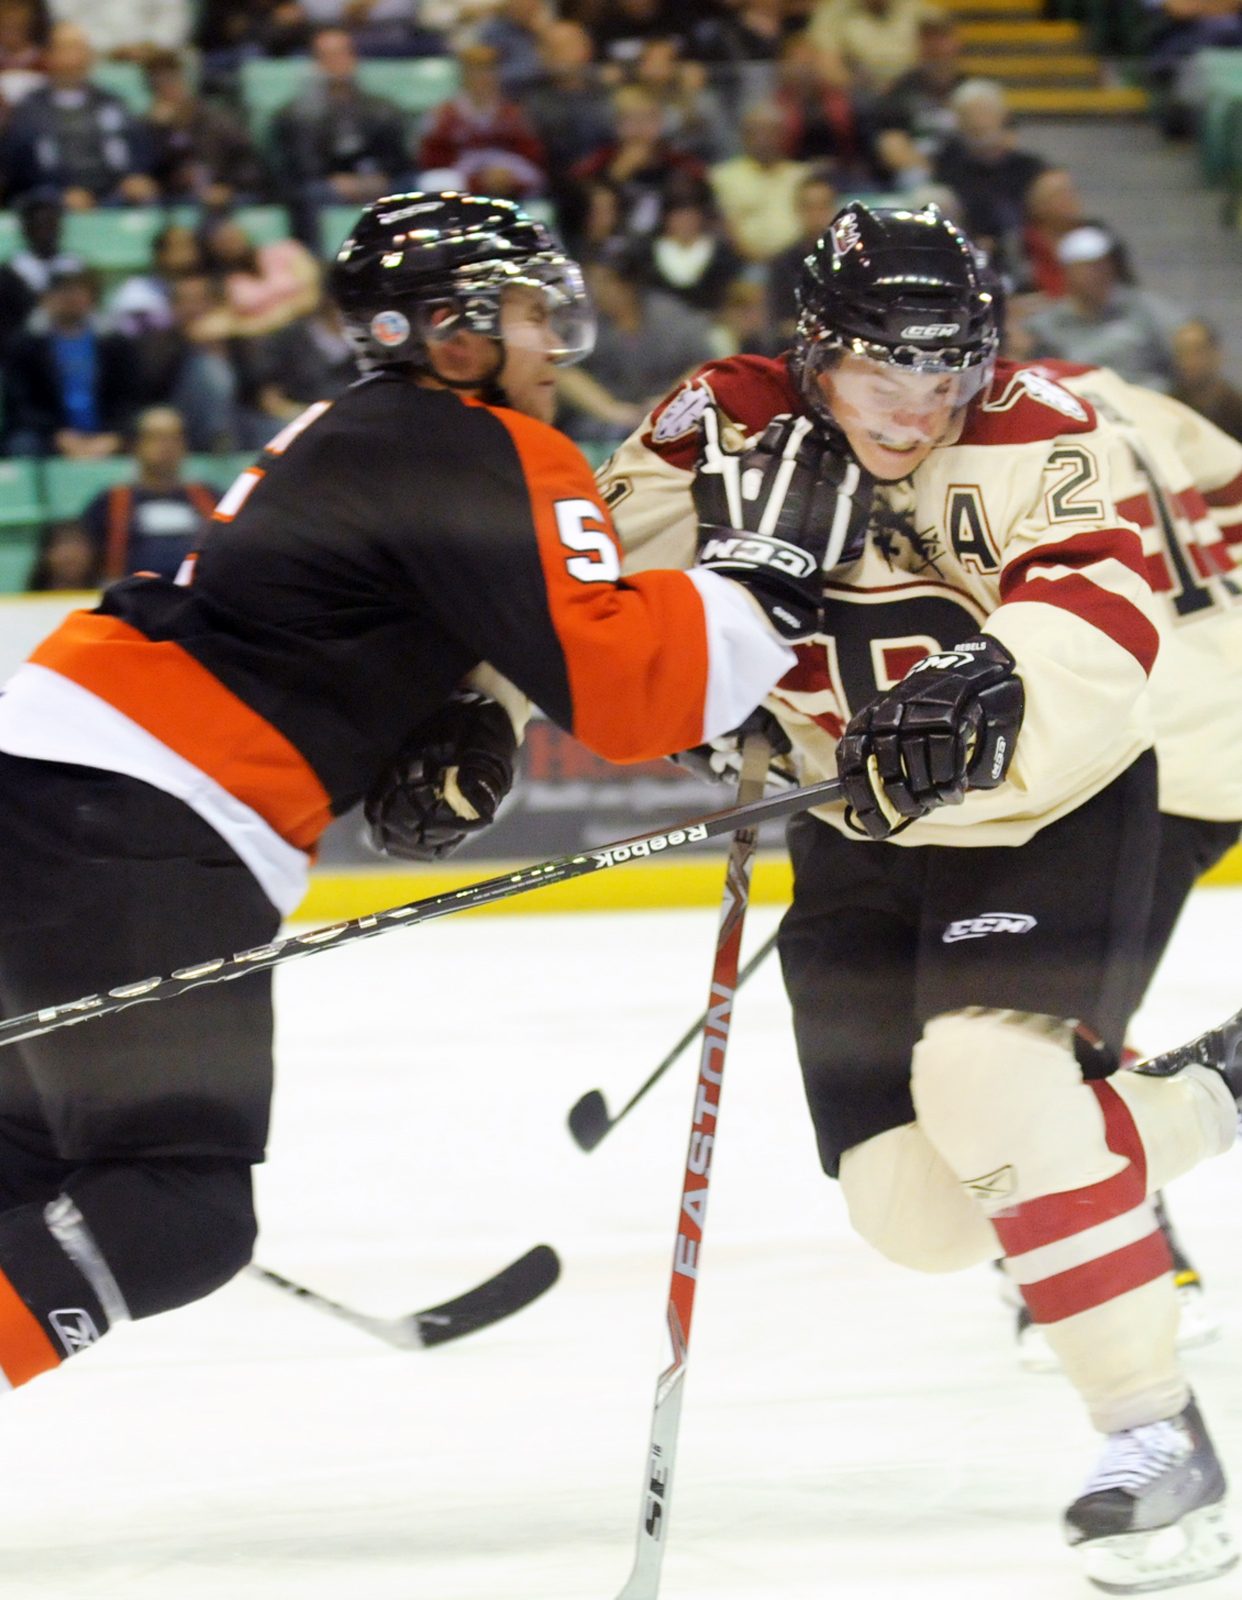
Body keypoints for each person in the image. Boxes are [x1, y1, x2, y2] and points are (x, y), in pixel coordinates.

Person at [0, 193, 835, 1442]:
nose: (554, 337)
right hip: (133, 828)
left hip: (49, 793)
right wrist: (756, 595)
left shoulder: (370, 429)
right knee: (175, 1211)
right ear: (451, 332)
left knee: (30, 1173)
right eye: (526, 310)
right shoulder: (478, 441)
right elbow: (626, 690)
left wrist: (438, 715)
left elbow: (330, 625)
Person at [598, 201, 1242, 1593]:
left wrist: (999, 680)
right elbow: (597, 593)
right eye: (885, 369)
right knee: (919, 1217)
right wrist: (682, 663)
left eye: (945, 366)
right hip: (850, 830)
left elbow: (1099, 602)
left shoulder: (1035, 422)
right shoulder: (713, 420)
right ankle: (1214, 1091)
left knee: (983, 1082)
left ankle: (1154, 1442)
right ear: (814, 350)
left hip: (1043, 804)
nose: (919, 403)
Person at [2, 258, 140, 457]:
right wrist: (58, 435)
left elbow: (130, 399)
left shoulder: (115, 343)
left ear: (92, 294)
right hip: (49, 436)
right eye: (62, 289)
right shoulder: (27, 344)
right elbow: (20, 405)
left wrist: (114, 436)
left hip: (107, 434)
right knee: (23, 446)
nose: (70, 296)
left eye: (78, 288)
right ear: (46, 297)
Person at [78, 406, 219, 582]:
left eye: (174, 438)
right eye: (156, 437)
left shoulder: (212, 499)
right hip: (130, 599)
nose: (167, 446)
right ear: (135, 445)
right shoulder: (109, 502)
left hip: (198, 597)